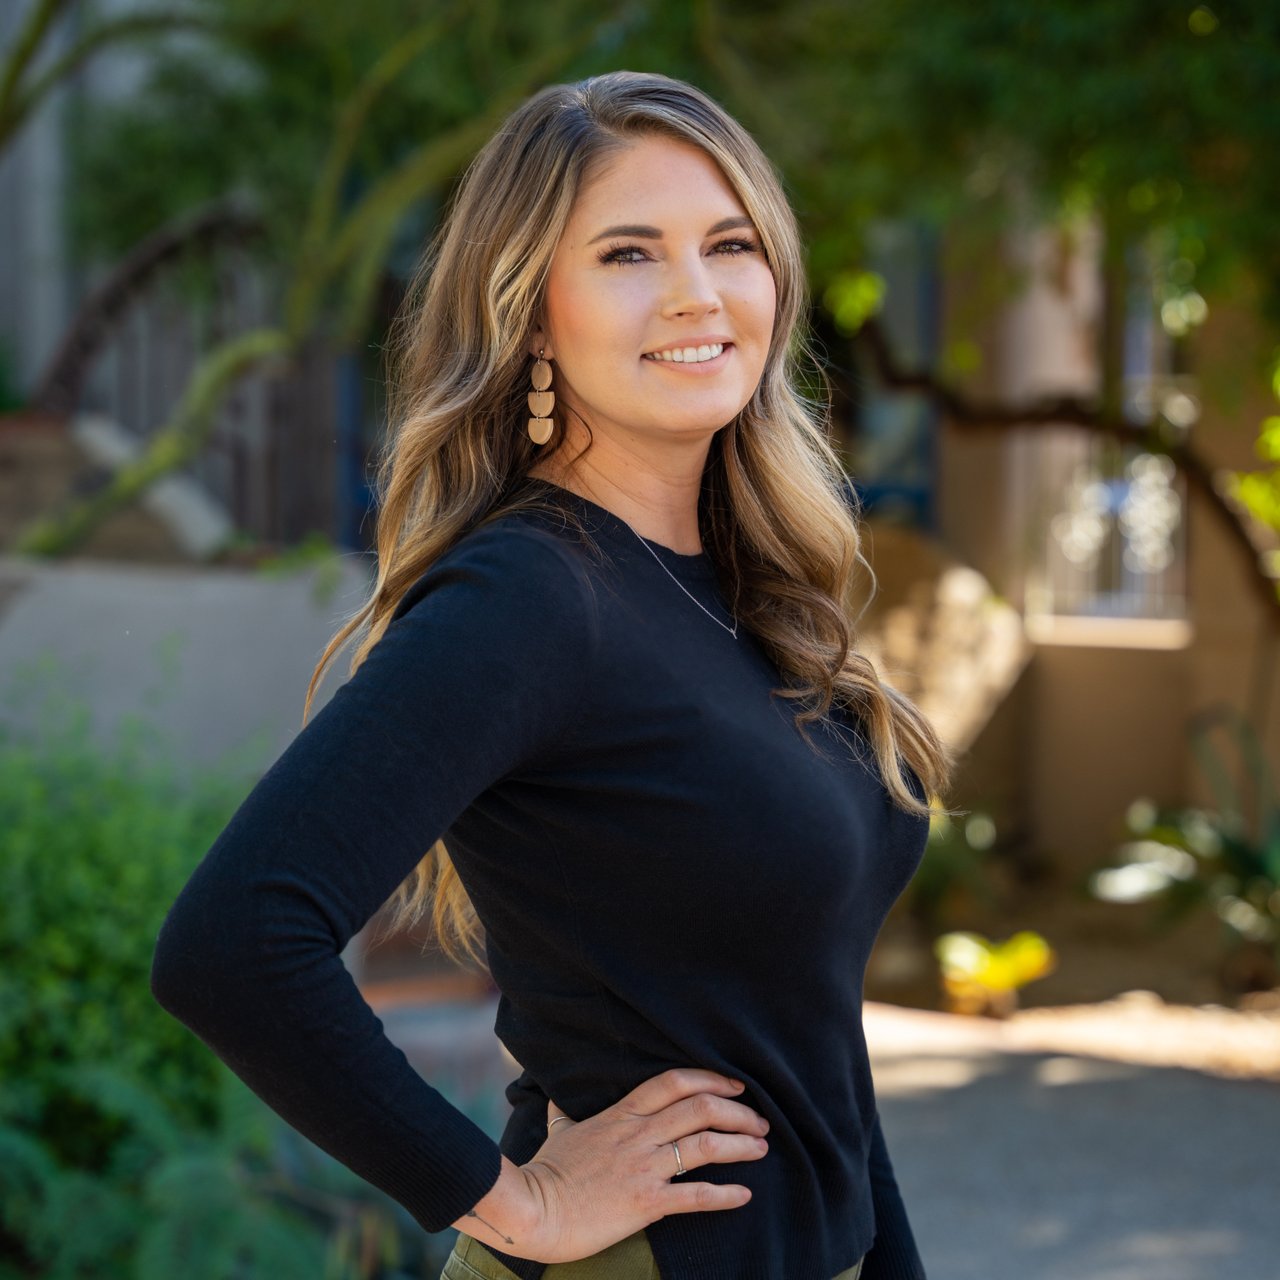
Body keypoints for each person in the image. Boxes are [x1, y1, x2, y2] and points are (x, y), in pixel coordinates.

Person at [150, 69, 957, 1280]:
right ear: (531, 315)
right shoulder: (530, 594)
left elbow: (806, 1033)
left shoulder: (753, 592)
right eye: (628, 254)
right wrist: (515, 1201)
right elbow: (232, 942)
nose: (693, 292)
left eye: (728, 243)